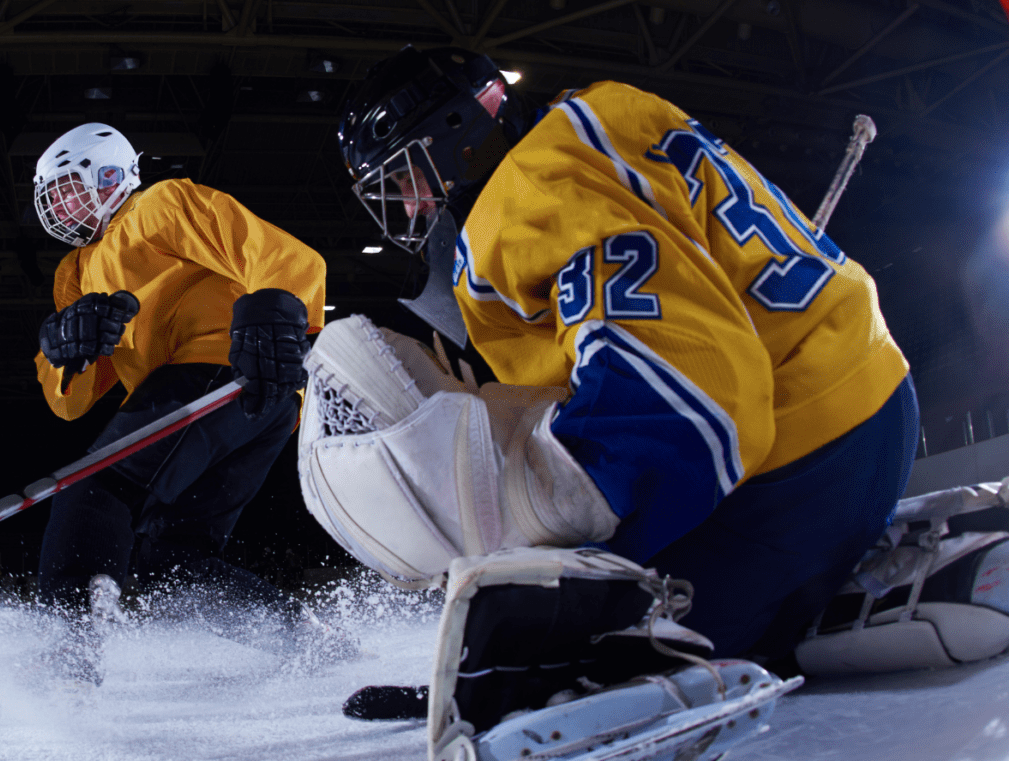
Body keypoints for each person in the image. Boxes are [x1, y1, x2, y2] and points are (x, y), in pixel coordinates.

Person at [303, 45, 942, 754]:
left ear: (457, 133)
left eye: (408, 178)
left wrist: (551, 507)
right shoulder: (603, 114)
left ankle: (762, 608)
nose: (414, 206)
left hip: (799, 465)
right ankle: (821, 589)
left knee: (600, 658)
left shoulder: (525, 199)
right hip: (864, 399)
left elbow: (696, 400)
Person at [28, 121, 328, 681]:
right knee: (172, 561)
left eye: (70, 186)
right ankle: (305, 639)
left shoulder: (158, 207)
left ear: (110, 173)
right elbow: (69, 403)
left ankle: (67, 652)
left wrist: (273, 314)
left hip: (222, 370)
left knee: (96, 486)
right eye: (53, 196)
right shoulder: (75, 271)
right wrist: (68, 346)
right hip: (243, 407)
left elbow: (279, 254)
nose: (62, 204)